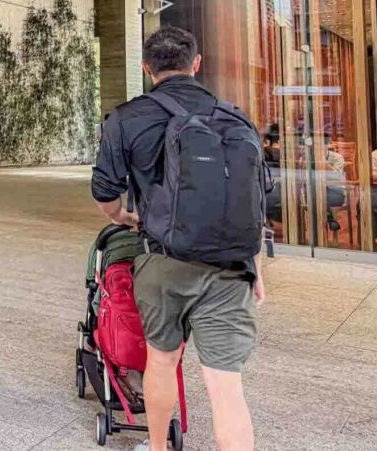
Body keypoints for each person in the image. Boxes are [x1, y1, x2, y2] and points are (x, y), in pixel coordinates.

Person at [91, 26, 264, 451]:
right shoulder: (233, 116)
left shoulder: (126, 119)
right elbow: (250, 197)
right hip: (229, 266)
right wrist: (254, 264)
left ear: (147, 68)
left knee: (162, 360)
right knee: (226, 387)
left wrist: (125, 218)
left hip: (162, 260)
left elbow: (105, 192)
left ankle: (156, 448)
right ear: (196, 64)